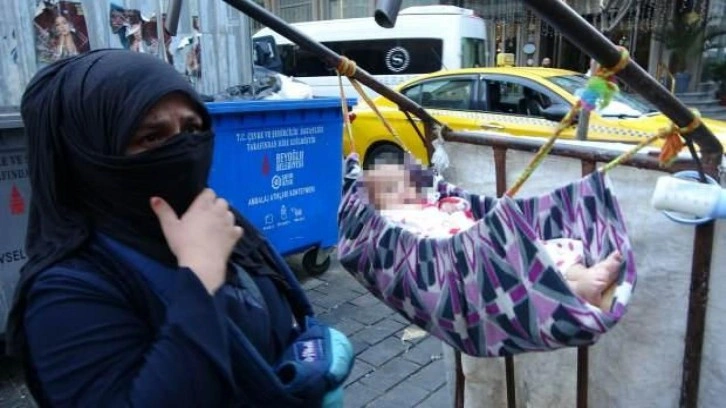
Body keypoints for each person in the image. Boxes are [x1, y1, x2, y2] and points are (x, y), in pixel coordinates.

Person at [6, 49, 353, 407]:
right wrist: (201, 278)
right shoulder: (65, 296)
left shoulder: (210, 220)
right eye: (152, 137)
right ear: (87, 155)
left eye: (192, 128)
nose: (185, 150)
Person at [364, 159, 622, 310]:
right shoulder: (394, 220)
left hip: (485, 240)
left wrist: (453, 205)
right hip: (463, 260)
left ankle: (583, 274)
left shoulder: (430, 204)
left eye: (403, 184)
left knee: (540, 250)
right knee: (519, 279)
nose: (402, 191)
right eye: (389, 189)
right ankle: (579, 290)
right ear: (377, 204)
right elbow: (411, 246)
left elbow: (453, 206)